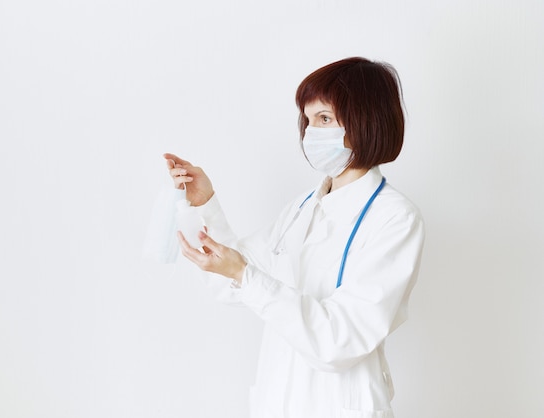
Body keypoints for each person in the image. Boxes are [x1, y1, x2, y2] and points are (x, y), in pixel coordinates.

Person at [163, 57, 425, 418]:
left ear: (366, 120)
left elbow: (339, 341)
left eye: (325, 119)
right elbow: (232, 283)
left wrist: (243, 274)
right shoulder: (302, 209)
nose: (310, 133)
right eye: (308, 119)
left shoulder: (395, 219)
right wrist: (205, 203)